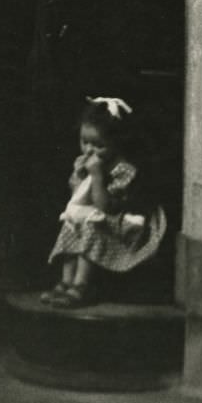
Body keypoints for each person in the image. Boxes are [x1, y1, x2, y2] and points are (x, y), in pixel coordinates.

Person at [41, 96, 166, 308]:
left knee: (92, 224)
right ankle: (66, 280)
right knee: (71, 224)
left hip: (123, 221)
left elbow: (105, 207)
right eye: (84, 142)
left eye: (98, 145)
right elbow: (77, 197)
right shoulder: (85, 162)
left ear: (117, 143)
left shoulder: (124, 170)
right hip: (97, 213)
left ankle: (82, 285)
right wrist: (78, 180)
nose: (89, 150)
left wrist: (97, 176)